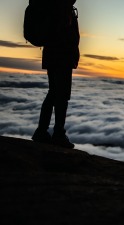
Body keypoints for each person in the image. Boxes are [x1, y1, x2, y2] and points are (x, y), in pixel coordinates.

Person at [32, 0, 80, 148]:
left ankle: (42, 131)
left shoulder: (57, 5)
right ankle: (58, 134)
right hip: (61, 57)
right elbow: (64, 34)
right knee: (62, 95)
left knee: (53, 93)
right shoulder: (62, 6)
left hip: (53, 56)